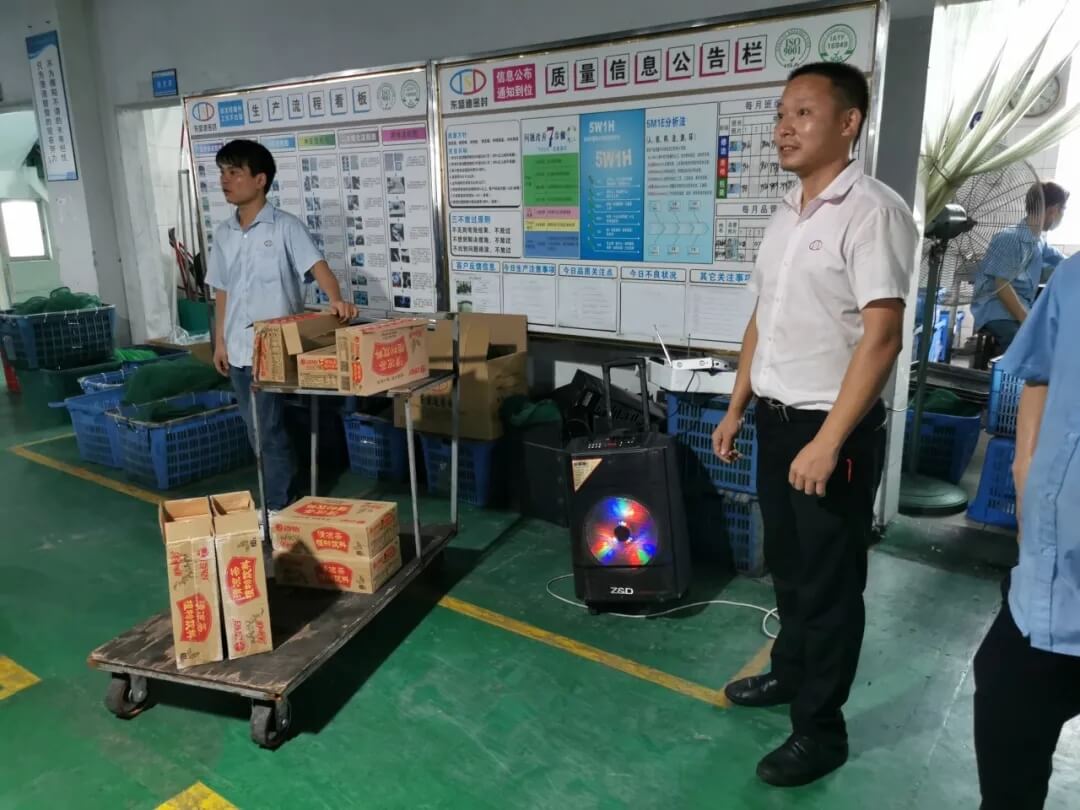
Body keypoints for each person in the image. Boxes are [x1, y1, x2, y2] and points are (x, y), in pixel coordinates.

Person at [711, 62, 918, 787]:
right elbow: (762, 319)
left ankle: (821, 732)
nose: (784, 128)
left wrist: (829, 441)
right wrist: (737, 405)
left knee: (829, 585)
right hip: (775, 424)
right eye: (781, 114)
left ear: (848, 123)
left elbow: (882, 339)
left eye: (802, 112)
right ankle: (790, 673)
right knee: (791, 568)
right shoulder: (786, 214)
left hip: (833, 434)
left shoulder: (874, 212)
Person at [973, 257, 1080, 810]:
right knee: (1004, 703)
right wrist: (1026, 476)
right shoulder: (1073, 277)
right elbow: (1040, 371)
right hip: (1048, 585)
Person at [206, 139, 356, 511]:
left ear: (260, 180)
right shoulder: (224, 234)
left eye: (234, 173)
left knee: (267, 430)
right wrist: (220, 341)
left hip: (273, 348)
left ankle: (277, 506)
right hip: (237, 349)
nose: (225, 180)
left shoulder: (286, 227)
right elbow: (222, 290)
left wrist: (336, 299)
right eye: (223, 172)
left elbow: (318, 268)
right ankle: (280, 499)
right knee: (257, 429)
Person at [971, 181, 1068, 351]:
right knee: (1028, 346)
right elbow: (1002, 288)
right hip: (997, 310)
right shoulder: (1010, 238)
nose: (1061, 216)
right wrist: (1027, 321)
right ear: (1053, 210)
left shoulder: (1037, 241)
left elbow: (1064, 261)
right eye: (1063, 210)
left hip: (1020, 307)